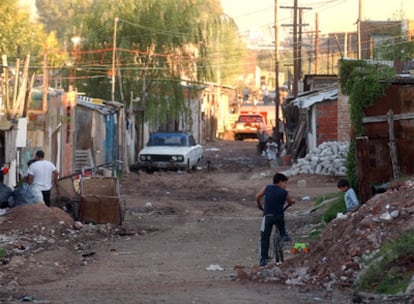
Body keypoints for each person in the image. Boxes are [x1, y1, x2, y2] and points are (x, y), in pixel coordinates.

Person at [255, 173, 295, 266]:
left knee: (265, 238)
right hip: (278, 216)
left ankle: (263, 259)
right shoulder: (284, 192)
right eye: (285, 183)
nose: (285, 185)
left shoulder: (267, 188)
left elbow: (257, 197)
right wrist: (292, 202)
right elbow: (289, 201)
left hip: (267, 216)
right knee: (282, 227)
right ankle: (284, 235)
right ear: (280, 182)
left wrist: (259, 205)